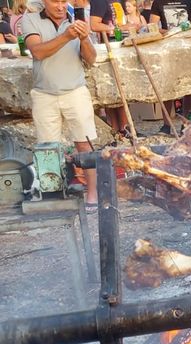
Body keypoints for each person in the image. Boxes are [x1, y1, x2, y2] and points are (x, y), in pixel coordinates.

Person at [22, 0, 98, 210]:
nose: (60, 6)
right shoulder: (30, 19)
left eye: (64, 1)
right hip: (44, 94)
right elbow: (37, 51)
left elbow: (91, 60)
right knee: (48, 148)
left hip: (75, 91)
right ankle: (54, 196)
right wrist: (67, 36)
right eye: (55, 1)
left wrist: (84, 39)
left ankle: (93, 194)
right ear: (44, 2)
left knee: (85, 144)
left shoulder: (77, 20)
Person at [150, 0, 191, 130]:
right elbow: (152, 25)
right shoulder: (158, 2)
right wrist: (167, 31)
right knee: (167, 87)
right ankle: (167, 124)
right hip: (168, 47)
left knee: (190, 84)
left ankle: (187, 121)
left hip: (188, 46)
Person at [89, 0, 132, 140]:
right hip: (108, 47)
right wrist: (116, 28)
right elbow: (94, 24)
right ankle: (117, 129)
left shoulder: (119, 1)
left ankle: (123, 129)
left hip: (121, 46)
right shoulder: (100, 1)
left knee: (121, 90)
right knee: (112, 92)